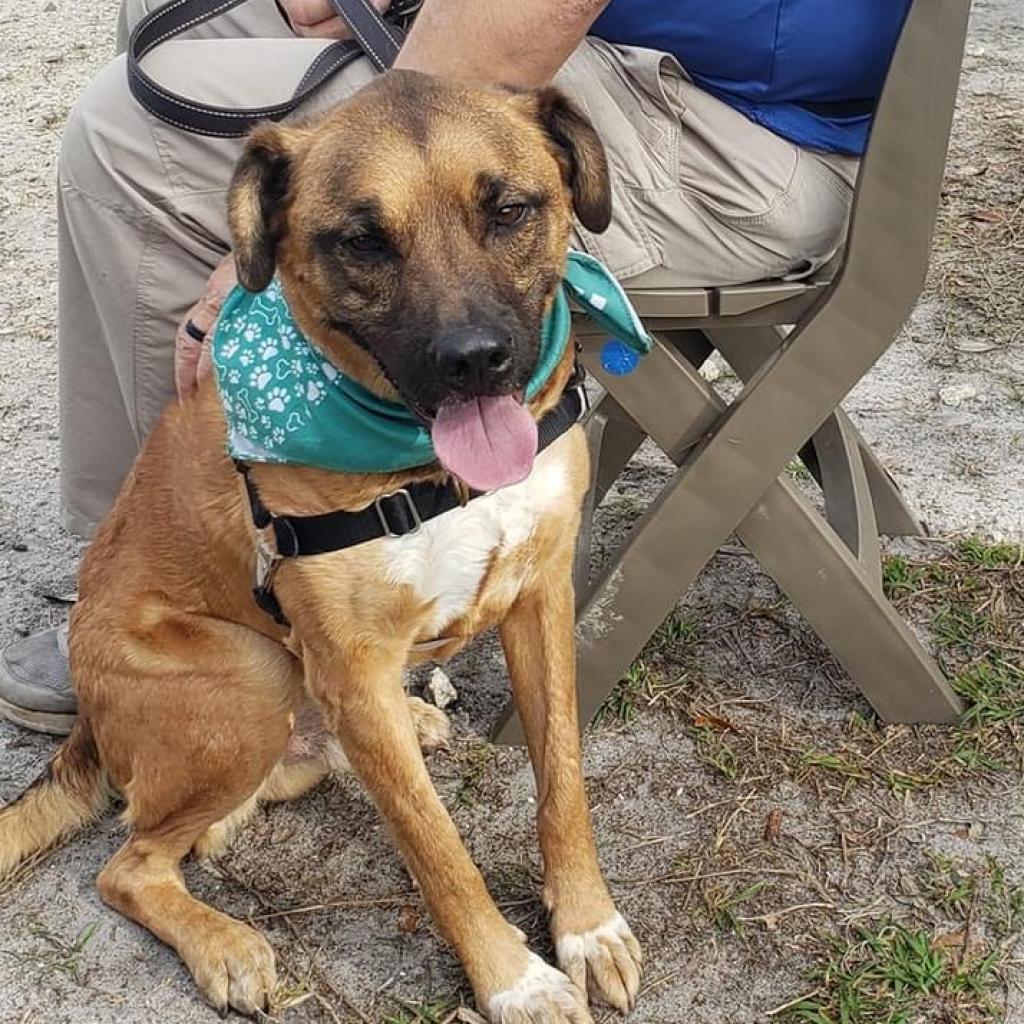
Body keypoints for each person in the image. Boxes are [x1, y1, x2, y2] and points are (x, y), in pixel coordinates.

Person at [0, 0, 911, 734]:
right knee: (182, 20)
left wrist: (287, 237)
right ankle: (160, 579)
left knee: (126, 135)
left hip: (745, 132)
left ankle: (206, 604)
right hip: (655, 46)